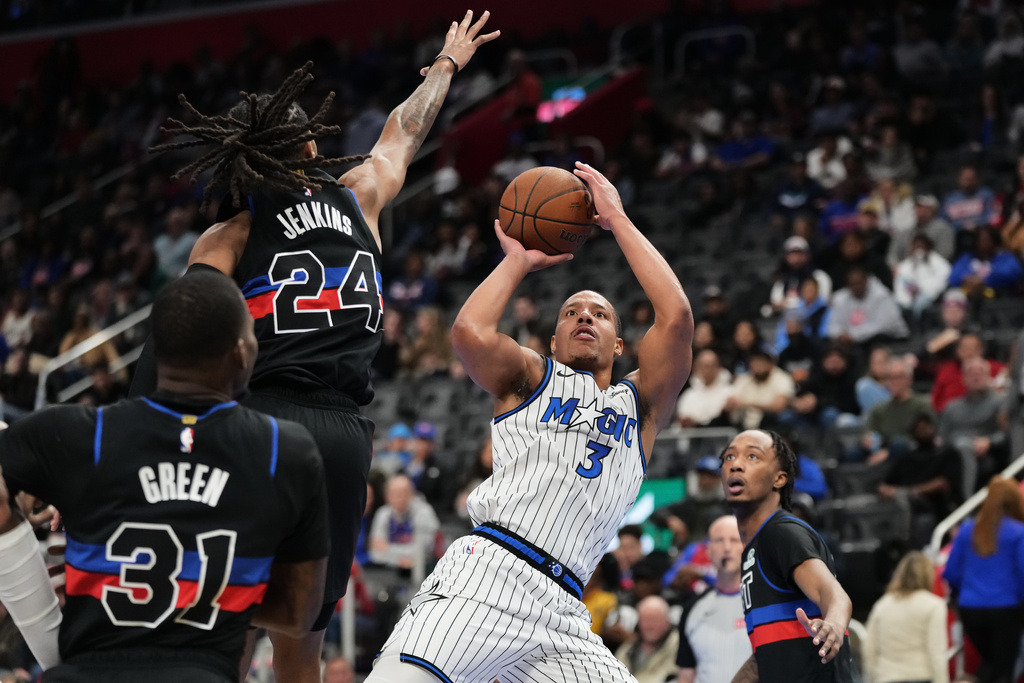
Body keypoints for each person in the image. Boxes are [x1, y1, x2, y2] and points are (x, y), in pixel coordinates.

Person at [133, 13, 499, 682]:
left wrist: (140, 426)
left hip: (257, 421)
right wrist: (445, 64)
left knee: (227, 618)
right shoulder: (361, 195)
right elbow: (404, 131)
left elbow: (179, 334)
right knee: (302, 634)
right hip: (339, 435)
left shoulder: (227, 236)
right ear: (310, 150)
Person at [366, 161, 694, 682]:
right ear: (554, 341)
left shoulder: (642, 405)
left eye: (600, 314)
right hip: (488, 575)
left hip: (564, 610)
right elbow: (470, 333)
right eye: (570, 313)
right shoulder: (531, 376)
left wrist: (619, 221)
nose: (585, 316)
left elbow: (675, 318)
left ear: (619, 344)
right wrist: (516, 261)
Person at [0, 270, 330, 682]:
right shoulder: (285, 452)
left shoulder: (82, 434)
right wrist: (201, 593)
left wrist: (55, 599)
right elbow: (300, 614)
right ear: (242, 352)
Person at [722, 429, 853, 682]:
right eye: (729, 457)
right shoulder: (756, 547)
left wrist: (834, 625)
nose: (736, 465)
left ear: (779, 479)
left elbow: (834, 594)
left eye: (752, 457)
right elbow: (768, 654)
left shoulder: (781, 533)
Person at [943, 477, 1024, 683]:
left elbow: (951, 571)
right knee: (1002, 670)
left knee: (990, 665)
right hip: (1006, 610)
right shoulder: (1018, 532)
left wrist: (966, 590)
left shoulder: (968, 529)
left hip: (970, 610)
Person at [676, 515, 752, 683]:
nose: (726, 548)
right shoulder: (692, 609)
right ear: (708, 551)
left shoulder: (764, 605)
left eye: (734, 540)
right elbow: (686, 674)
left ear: (746, 547)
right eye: (719, 540)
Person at [863, 551, 949, 683]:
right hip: (921, 676)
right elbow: (937, 653)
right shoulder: (935, 605)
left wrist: (873, 677)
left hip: (886, 677)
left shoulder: (882, 604)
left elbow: (869, 648)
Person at [368, 474, 440, 572]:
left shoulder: (424, 512)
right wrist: (398, 560)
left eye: (404, 493)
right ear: (387, 496)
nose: (400, 497)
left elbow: (424, 551)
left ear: (412, 494)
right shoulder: (383, 513)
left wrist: (388, 549)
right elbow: (375, 551)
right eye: (395, 493)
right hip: (389, 570)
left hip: (424, 570)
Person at [614, 596, 679, 683]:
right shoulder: (628, 648)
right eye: (645, 620)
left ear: (667, 620)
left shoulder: (679, 646)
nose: (649, 626)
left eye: (655, 620)